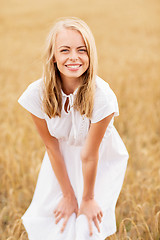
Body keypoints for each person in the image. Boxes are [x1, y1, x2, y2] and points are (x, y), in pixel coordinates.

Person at [18, 17, 129, 240]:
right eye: (65, 50)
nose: (74, 57)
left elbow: (89, 155)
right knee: (54, 224)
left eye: (82, 50)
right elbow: (51, 146)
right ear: (53, 57)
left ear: (90, 55)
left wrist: (87, 198)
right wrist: (68, 194)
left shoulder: (102, 97)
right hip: (60, 160)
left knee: (86, 228)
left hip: (99, 161)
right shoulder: (36, 94)